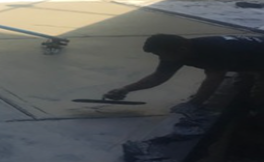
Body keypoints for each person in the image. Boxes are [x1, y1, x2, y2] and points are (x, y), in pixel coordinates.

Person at [104, 34, 264, 108]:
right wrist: (125, 89)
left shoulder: (212, 50)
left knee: (258, 96)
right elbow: (159, 77)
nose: (161, 58)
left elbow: (214, 78)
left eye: (160, 54)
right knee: (245, 86)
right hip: (253, 56)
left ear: (181, 49)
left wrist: (195, 103)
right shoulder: (178, 53)